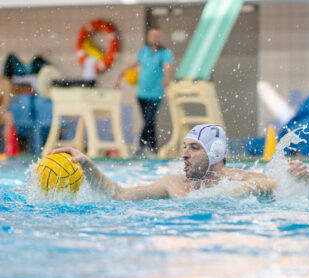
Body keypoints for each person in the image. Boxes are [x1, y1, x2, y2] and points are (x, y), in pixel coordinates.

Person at [49, 124, 275, 200]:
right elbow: (118, 195)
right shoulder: (172, 184)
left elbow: (281, 189)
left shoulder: (245, 180)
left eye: (194, 148)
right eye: (185, 147)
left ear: (215, 153)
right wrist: (88, 165)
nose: (184, 154)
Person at [115, 27, 174, 157]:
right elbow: (132, 64)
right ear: (148, 37)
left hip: (156, 94)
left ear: (160, 38)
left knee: (148, 120)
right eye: (152, 36)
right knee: (149, 122)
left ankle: (140, 147)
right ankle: (154, 148)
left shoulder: (165, 53)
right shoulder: (144, 51)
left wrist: (167, 78)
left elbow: (167, 66)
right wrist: (119, 77)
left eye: (157, 36)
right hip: (141, 93)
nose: (155, 38)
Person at [0, 76, 13, 150]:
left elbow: (6, 104)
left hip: (1, 112)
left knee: (9, 116)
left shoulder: (5, 83)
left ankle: (7, 148)